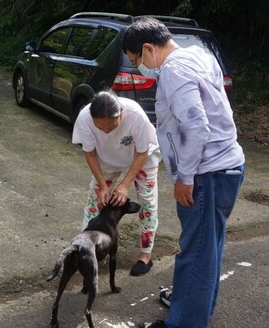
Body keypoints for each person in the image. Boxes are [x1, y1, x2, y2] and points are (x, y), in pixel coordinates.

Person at [122, 17, 245, 328]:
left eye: (137, 59)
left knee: (195, 253)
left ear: (149, 48)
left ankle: (185, 322)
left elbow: (196, 126)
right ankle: (196, 308)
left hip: (207, 173)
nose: (139, 67)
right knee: (209, 246)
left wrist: (185, 178)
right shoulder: (200, 56)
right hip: (228, 165)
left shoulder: (174, 70)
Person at [72, 89, 161, 276]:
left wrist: (124, 185)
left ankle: (146, 254)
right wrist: (103, 186)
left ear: (121, 112)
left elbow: (143, 152)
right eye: (100, 128)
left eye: (111, 127)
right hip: (107, 160)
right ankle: (88, 249)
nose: (105, 131)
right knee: (94, 202)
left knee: (146, 204)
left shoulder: (135, 115)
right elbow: (89, 153)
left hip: (141, 159)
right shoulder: (84, 118)